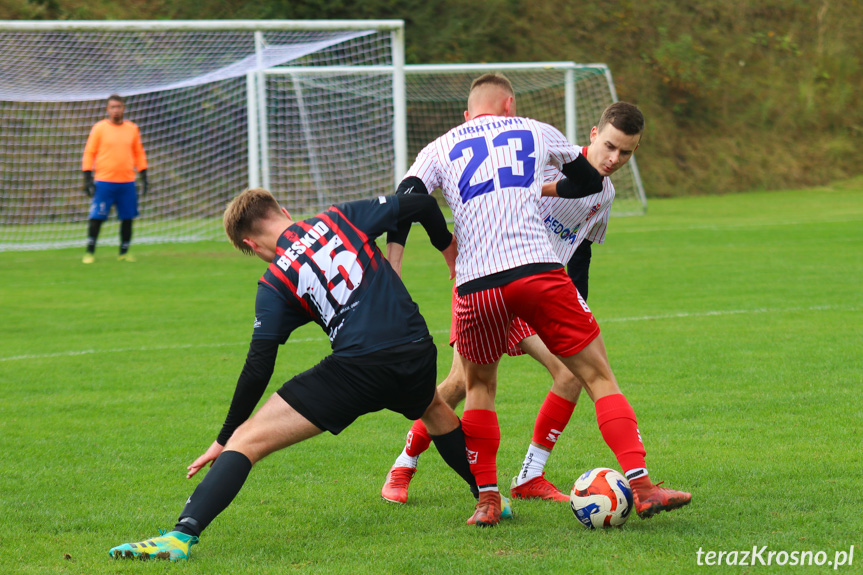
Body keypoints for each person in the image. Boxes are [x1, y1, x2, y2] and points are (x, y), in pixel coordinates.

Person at [109, 188, 505, 561]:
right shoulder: (341, 218)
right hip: (417, 349)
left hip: (361, 368)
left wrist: (225, 436)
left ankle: (180, 536)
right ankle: (487, 494)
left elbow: (258, 365)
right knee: (434, 409)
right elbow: (419, 203)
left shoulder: (275, 280)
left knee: (247, 441)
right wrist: (446, 247)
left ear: (250, 245)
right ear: (282, 212)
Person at [388, 73, 690, 526]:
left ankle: (522, 479)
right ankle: (404, 463)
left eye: (625, 152)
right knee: (460, 386)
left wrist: (579, 305)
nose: (614, 158)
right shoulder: (538, 144)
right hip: (524, 273)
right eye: (609, 146)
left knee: (558, 376)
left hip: (495, 286)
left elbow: (581, 251)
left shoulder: (600, 193)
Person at [81, 94, 148, 263]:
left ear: (123, 108)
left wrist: (144, 176)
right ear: (107, 109)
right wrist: (87, 178)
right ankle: (90, 252)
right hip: (104, 181)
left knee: (127, 218)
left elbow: (138, 153)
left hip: (127, 182)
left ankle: (123, 253)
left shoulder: (132, 128)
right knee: (97, 217)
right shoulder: (99, 128)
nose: (116, 110)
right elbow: (90, 152)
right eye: (112, 107)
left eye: (118, 106)